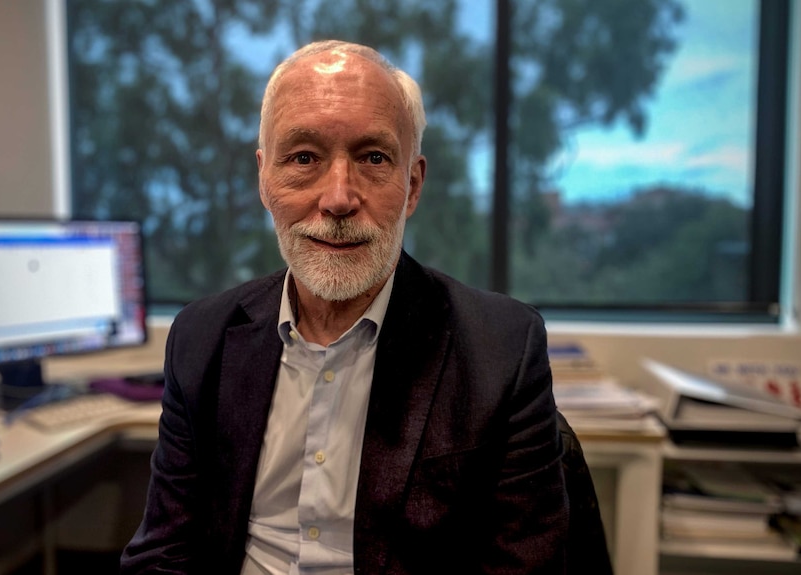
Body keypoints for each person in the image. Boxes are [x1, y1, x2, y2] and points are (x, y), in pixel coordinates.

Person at [121, 39, 571, 574]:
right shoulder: (201, 338)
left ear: (412, 185)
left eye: (374, 158)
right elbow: (162, 554)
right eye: (304, 158)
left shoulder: (501, 351)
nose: (338, 198)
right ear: (265, 179)